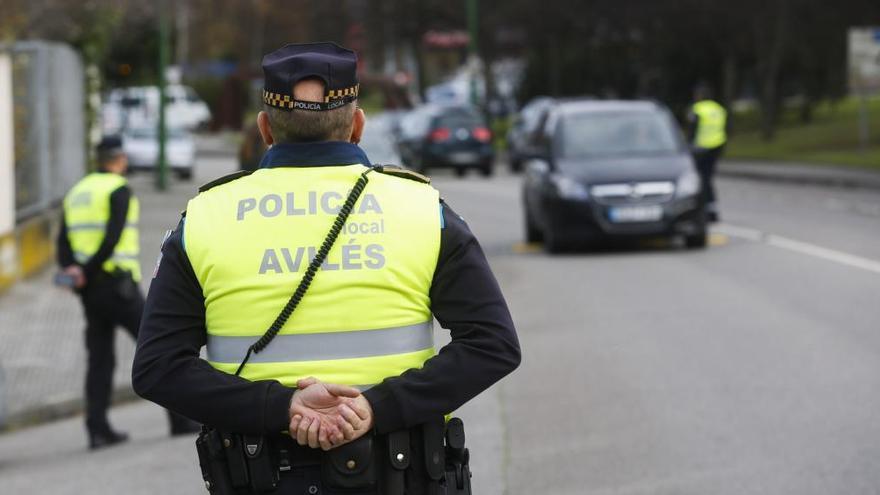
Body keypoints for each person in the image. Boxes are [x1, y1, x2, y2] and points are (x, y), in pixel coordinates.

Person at [133, 42, 520, 494]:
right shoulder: (422, 208)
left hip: (260, 476)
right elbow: (493, 345)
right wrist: (376, 408)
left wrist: (283, 408)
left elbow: (157, 368)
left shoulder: (203, 218)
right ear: (358, 124)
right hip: (403, 474)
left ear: (265, 128)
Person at [57, 136, 199, 450]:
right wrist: (90, 270)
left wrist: (75, 272)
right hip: (116, 286)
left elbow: (63, 242)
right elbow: (112, 237)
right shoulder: (117, 190)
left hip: (89, 290)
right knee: (160, 349)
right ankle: (180, 420)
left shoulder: (77, 191)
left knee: (100, 358)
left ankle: (97, 428)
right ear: (119, 158)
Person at [687, 84, 728, 222]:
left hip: (702, 148)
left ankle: (703, 210)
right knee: (708, 179)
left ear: (699, 96)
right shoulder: (718, 109)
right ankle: (712, 210)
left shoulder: (698, 109)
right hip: (717, 146)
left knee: (702, 180)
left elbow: (693, 131)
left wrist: (688, 147)